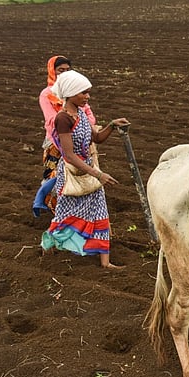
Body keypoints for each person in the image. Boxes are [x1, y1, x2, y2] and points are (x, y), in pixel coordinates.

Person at [41, 70, 129, 269]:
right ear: (71, 93)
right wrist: (98, 174)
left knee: (100, 212)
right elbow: (69, 155)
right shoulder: (63, 118)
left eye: (87, 93)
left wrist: (112, 125)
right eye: (83, 93)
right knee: (64, 216)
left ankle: (105, 262)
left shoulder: (80, 113)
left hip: (88, 172)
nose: (87, 97)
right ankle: (48, 247)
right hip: (73, 175)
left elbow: (96, 138)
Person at [33, 55, 97, 217]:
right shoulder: (47, 94)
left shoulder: (76, 92)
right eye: (60, 70)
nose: (64, 73)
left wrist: (81, 126)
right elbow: (50, 120)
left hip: (80, 138)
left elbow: (89, 115)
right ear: (52, 71)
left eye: (68, 70)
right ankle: (57, 211)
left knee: (80, 174)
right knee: (55, 175)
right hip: (56, 141)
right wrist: (69, 122)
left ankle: (79, 212)